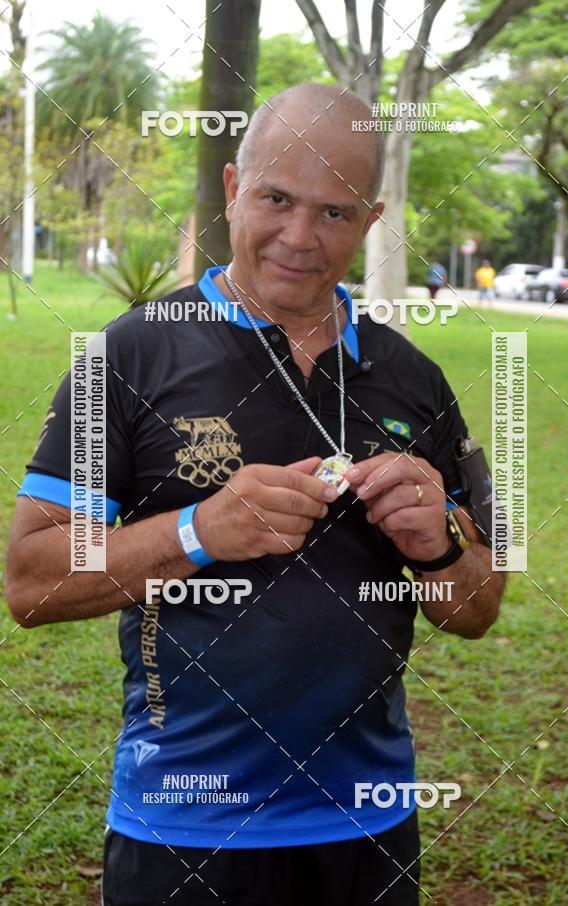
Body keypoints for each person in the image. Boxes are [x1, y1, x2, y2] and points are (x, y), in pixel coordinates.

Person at [6, 83, 504, 906]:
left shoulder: (414, 376)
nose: (300, 238)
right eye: (276, 198)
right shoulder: (122, 356)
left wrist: (440, 547)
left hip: (367, 826)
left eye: (335, 213)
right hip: (182, 828)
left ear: (372, 220)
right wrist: (199, 531)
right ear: (235, 188)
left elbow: (480, 607)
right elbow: (29, 582)